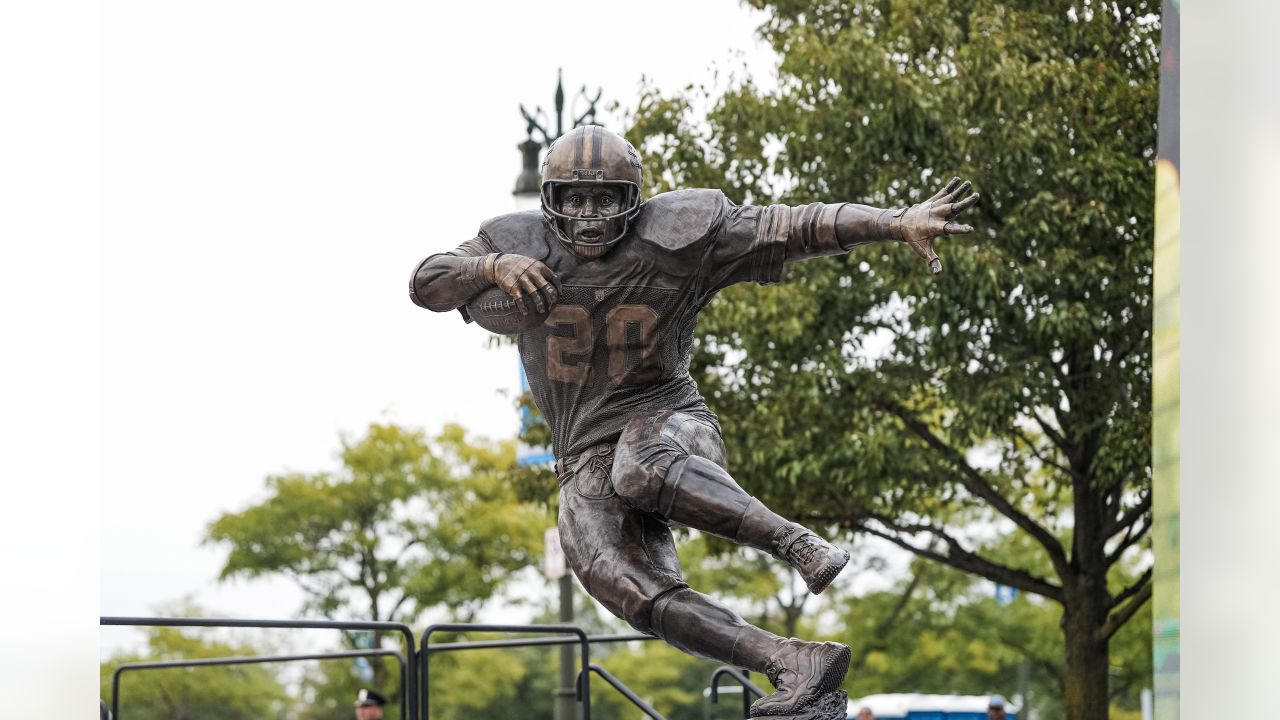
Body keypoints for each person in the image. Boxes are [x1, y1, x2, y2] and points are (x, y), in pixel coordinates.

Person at [409, 125, 978, 720]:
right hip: (582, 454)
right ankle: (793, 663)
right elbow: (426, 281)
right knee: (625, 588)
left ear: (633, 200)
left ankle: (795, 542)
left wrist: (895, 221)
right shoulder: (513, 243)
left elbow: (794, 226)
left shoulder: (680, 236)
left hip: (671, 419)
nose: (589, 213)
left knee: (641, 468)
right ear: (550, 199)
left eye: (604, 199)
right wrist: (493, 268)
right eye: (575, 197)